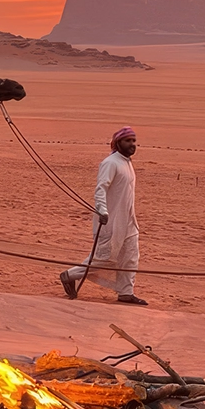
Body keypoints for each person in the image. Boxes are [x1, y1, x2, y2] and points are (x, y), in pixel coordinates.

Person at [61, 127, 145, 305]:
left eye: (134, 141)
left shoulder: (126, 163)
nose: (132, 144)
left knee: (130, 257)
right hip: (110, 220)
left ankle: (126, 292)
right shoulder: (110, 162)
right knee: (104, 258)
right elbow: (101, 189)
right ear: (117, 143)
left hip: (129, 221)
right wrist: (102, 211)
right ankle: (70, 275)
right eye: (128, 141)